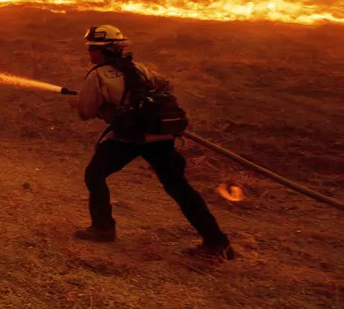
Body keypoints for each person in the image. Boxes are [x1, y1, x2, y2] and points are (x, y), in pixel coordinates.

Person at [70, 24, 235, 260]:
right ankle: (217, 242)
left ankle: (103, 228)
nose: (90, 54)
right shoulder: (141, 69)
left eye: (92, 49)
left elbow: (86, 111)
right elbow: (165, 87)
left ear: (103, 51)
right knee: (180, 189)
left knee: (95, 175)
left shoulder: (98, 75)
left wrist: (95, 106)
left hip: (129, 139)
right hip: (160, 137)